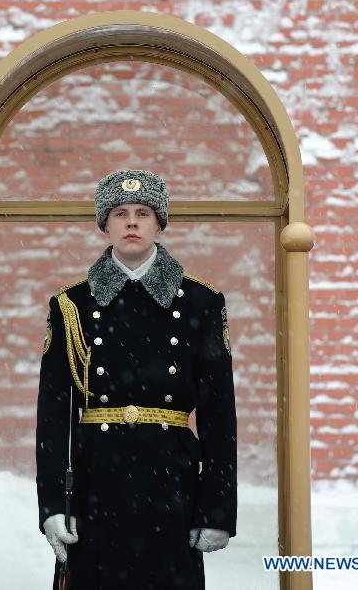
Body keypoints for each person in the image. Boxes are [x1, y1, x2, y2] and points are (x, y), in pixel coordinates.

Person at [36, 169, 237, 590]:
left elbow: (220, 417)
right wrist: (53, 505)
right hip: (96, 482)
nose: (131, 223)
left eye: (143, 213)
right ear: (104, 224)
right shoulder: (71, 305)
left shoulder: (201, 302)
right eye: (120, 213)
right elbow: (54, 417)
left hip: (172, 481)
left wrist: (217, 510)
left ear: (159, 223)